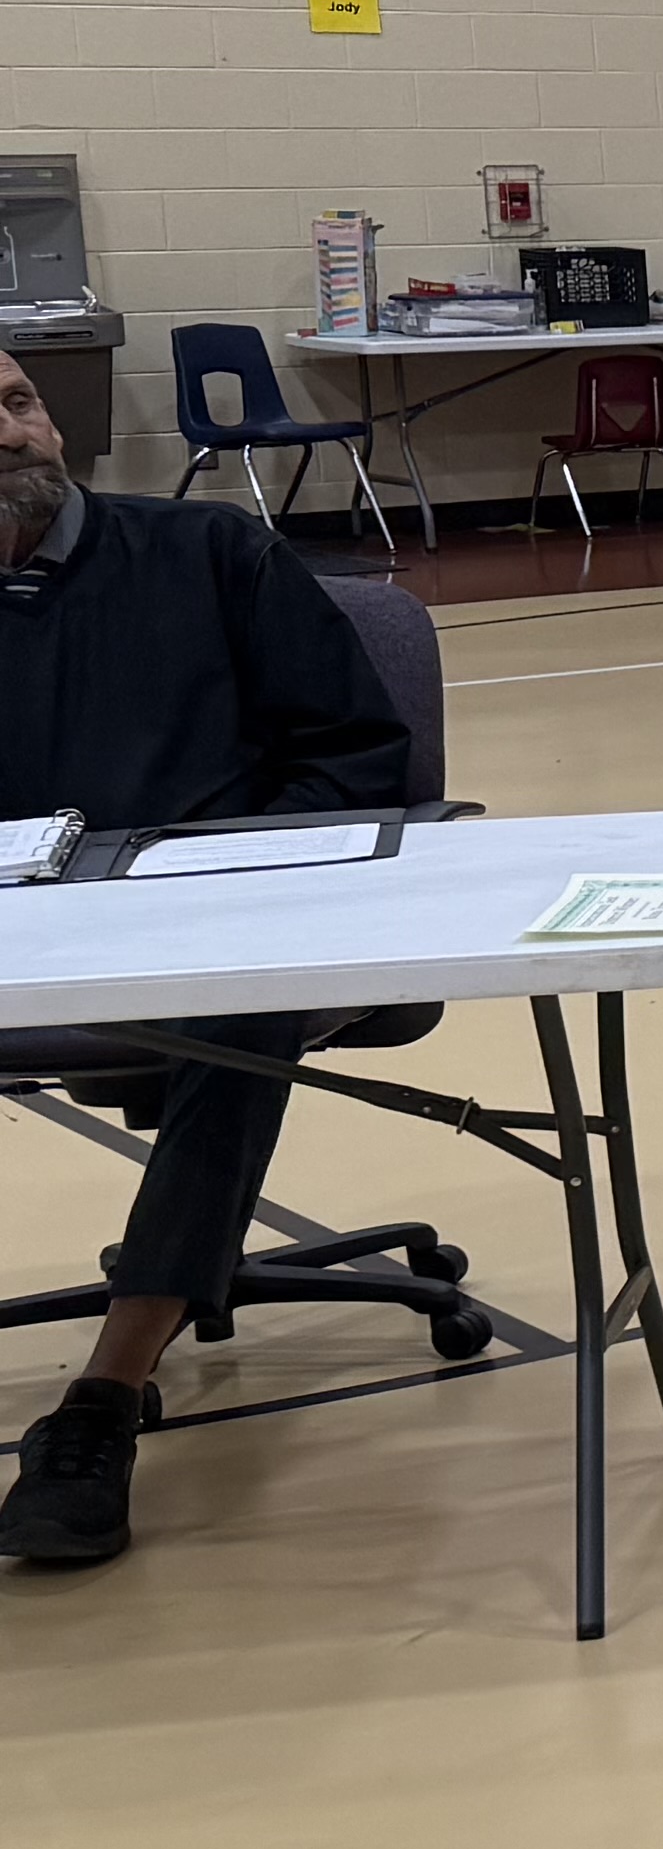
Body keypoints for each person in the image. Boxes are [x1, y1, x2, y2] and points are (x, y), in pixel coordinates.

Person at [0, 347, 415, 1571]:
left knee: (245, 1004)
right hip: (23, 932)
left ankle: (104, 1401)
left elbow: (355, 755)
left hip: (226, 925)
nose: (12, 434)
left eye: (18, 404)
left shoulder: (209, 555)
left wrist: (236, 877)